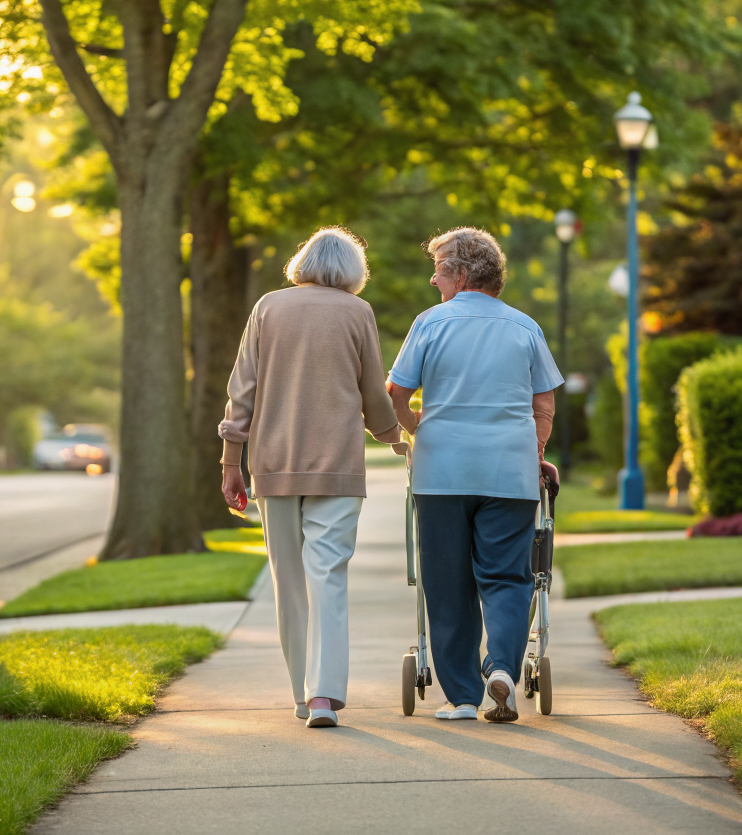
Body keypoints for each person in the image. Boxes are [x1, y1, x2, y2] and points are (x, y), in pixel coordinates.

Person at [220, 226, 400, 729]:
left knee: (289, 584)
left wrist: (231, 463)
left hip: (272, 464)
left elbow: (242, 392)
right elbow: (372, 391)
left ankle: (301, 695)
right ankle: (323, 696)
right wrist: (394, 436)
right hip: (338, 465)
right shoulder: (358, 313)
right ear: (352, 271)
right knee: (329, 578)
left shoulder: (267, 307)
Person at [387, 227, 561, 723]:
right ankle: (502, 668)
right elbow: (543, 402)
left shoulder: (430, 323)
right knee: (508, 575)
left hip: (442, 471)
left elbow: (396, 392)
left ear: (462, 274)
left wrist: (417, 428)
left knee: (446, 582)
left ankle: (462, 697)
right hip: (510, 469)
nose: (432, 279)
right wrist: (536, 449)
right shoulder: (525, 327)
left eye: (439, 269)